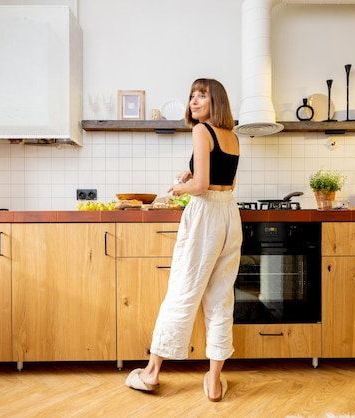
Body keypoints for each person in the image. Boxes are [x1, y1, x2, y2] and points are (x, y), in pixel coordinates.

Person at [125, 78, 242, 402]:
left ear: (215, 100)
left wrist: (180, 188)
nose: (194, 100)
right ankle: (215, 383)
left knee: (182, 292)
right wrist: (191, 175)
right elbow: (221, 181)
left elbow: (203, 187)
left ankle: (151, 374)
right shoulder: (231, 136)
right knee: (220, 299)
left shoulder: (201, 130)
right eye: (192, 95)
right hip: (230, 216)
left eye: (201, 95)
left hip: (205, 216)